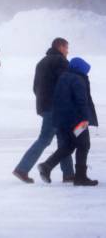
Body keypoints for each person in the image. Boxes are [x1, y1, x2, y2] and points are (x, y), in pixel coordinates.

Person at [13, 38, 74, 183]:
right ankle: (22, 169)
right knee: (46, 138)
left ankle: (68, 174)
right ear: (59, 46)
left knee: (63, 139)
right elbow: (65, 84)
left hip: (46, 106)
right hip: (57, 107)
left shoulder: (41, 62)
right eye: (66, 47)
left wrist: (44, 103)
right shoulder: (61, 62)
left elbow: (36, 87)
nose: (67, 51)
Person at [38, 57, 98, 186]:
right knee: (83, 145)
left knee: (69, 145)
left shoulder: (64, 77)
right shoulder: (78, 80)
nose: (86, 73)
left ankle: (47, 166)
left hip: (63, 120)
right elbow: (81, 101)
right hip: (77, 120)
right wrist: (85, 118)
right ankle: (80, 177)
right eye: (85, 70)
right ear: (80, 68)